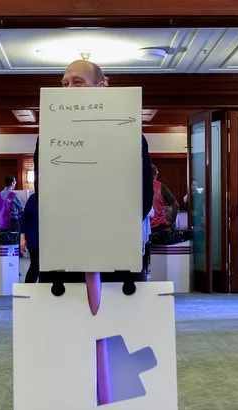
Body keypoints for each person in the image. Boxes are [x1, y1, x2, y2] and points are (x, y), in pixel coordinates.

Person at [30, 59, 154, 284]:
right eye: (64, 84)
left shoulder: (132, 136)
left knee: (119, 312)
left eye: (78, 83)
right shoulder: (47, 139)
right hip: (64, 245)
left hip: (116, 246)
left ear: (102, 88)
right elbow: (44, 197)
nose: (69, 89)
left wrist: (104, 221)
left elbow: (144, 200)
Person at [20, 186, 41, 283]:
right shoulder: (33, 198)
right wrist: (22, 238)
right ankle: (28, 289)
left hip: (51, 239)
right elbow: (24, 219)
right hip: (34, 238)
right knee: (35, 265)